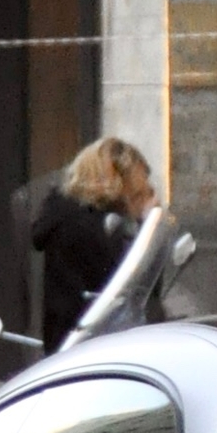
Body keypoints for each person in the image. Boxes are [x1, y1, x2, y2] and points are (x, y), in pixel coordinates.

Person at [30, 136, 154, 348]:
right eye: (136, 195)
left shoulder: (65, 216)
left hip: (71, 336)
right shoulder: (92, 226)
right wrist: (146, 222)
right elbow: (127, 279)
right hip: (90, 341)